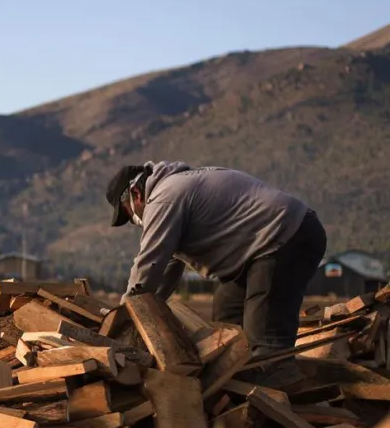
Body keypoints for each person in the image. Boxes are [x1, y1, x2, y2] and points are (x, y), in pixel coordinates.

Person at [106, 161, 327, 386]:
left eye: (129, 216)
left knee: (265, 335)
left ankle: (282, 400)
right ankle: (237, 389)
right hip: (258, 250)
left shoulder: (165, 197)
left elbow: (148, 264)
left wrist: (124, 317)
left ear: (136, 194)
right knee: (227, 319)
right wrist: (145, 314)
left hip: (285, 237)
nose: (136, 223)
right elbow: (166, 269)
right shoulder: (175, 190)